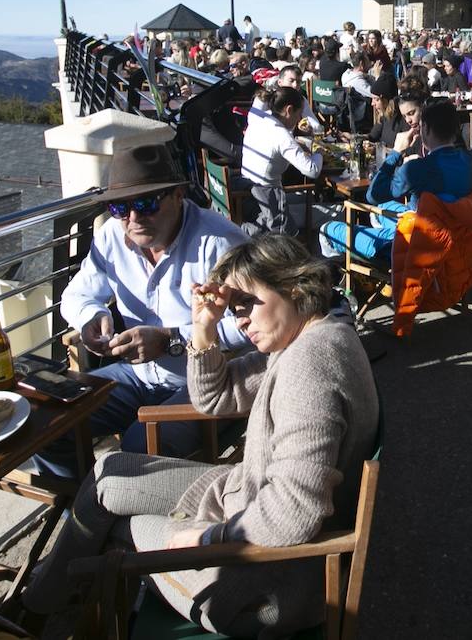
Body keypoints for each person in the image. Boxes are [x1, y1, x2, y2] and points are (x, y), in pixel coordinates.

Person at [19, 235, 379, 638]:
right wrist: (203, 328)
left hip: (266, 586)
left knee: (113, 531)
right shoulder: (311, 336)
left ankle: (40, 616)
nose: (239, 319)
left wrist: (209, 537)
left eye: (246, 304)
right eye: (234, 308)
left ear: (294, 286)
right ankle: (42, 606)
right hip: (245, 498)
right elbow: (216, 397)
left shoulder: (308, 369)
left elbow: (295, 510)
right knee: (109, 473)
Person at [43, 144, 250, 478]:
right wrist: (91, 318)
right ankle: (87, 513)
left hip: (207, 384)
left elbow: (248, 325)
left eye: (145, 203)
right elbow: (75, 295)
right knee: (51, 424)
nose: (134, 218)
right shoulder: (111, 235)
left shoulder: (220, 244)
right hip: (138, 377)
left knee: (138, 449)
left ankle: (116, 517)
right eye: (119, 207)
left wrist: (172, 340)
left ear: (178, 194)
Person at [319, 99, 472, 260]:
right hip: (452, 240)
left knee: (327, 229)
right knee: (381, 208)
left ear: (425, 129)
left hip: (416, 246)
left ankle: (369, 265)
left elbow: (372, 195)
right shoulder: (469, 160)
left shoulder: (417, 169)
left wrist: (396, 151)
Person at [241, 86, 323, 235]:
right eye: (299, 114)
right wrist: (318, 152)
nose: (299, 119)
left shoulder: (258, 118)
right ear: (289, 110)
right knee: (329, 210)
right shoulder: (282, 135)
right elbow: (313, 170)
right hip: (270, 203)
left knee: (307, 198)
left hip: (250, 193)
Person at [367, 72, 408, 148]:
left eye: (376, 99)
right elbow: (372, 137)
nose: (372, 103)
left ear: (385, 100)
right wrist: (353, 138)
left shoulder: (403, 117)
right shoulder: (383, 115)